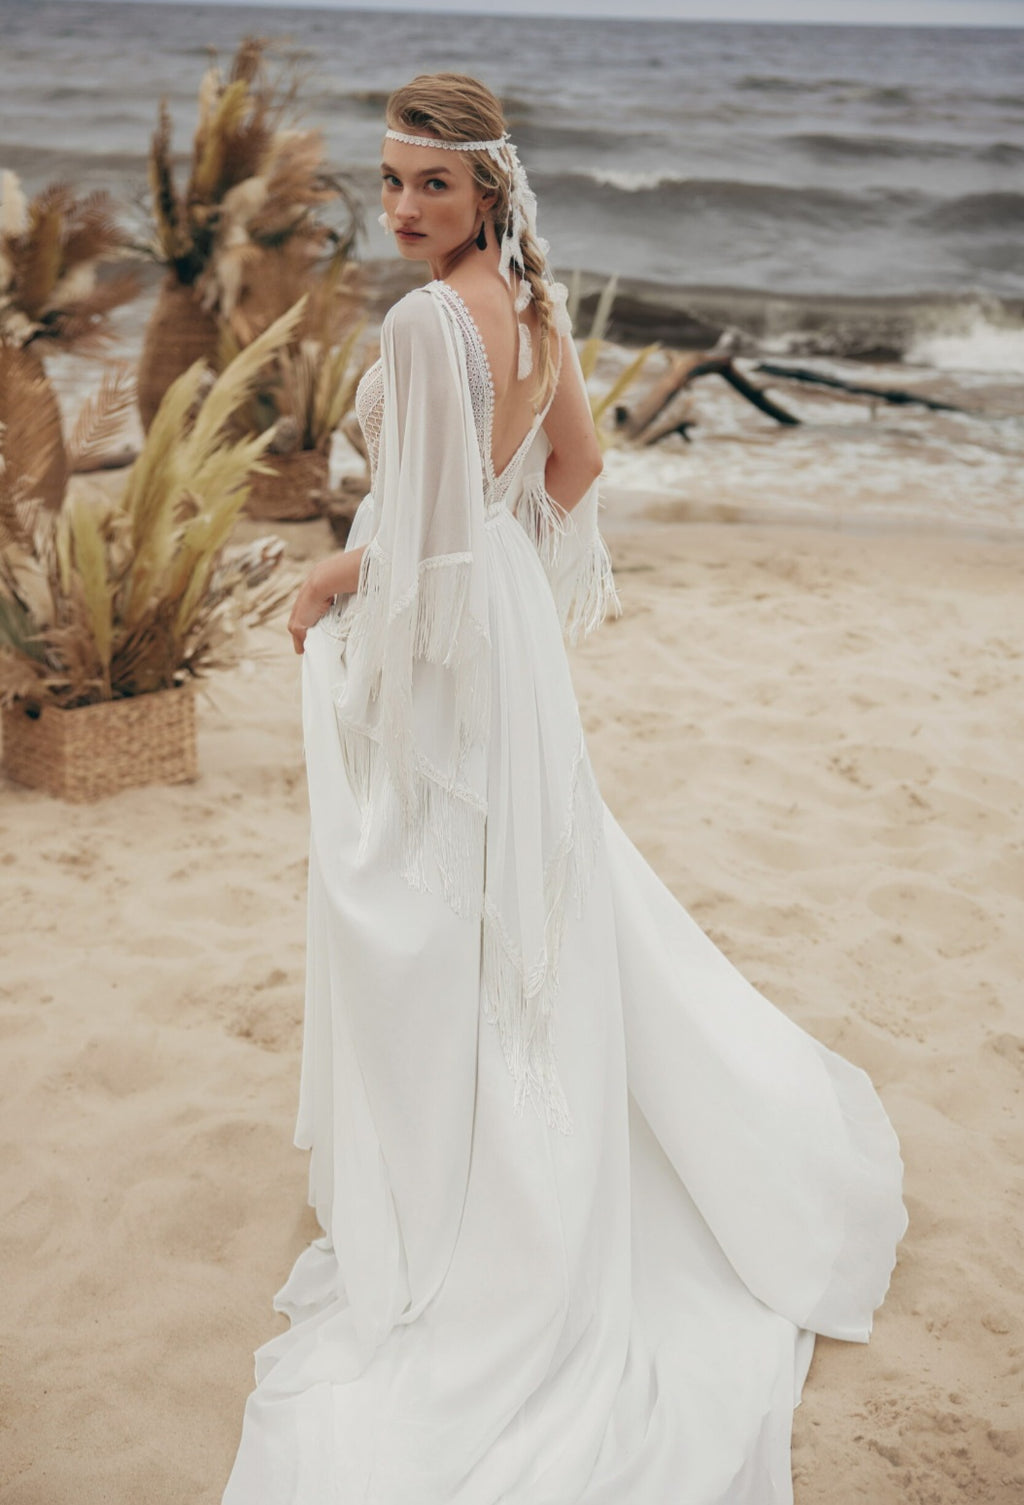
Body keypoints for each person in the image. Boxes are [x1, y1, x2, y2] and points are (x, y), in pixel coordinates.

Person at [222, 73, 907, 1505]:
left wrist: (331, 584)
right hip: (514, 645)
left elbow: (412, 534)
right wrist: (490, 551)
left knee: (433, 899)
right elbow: (574, 473)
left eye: (433, 185)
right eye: (393, 180)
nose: (405, 208)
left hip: (453, 651)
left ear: (488, 191)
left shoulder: (424, 324)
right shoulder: (534, 311)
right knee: (525, 896)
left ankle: (479, 1188)